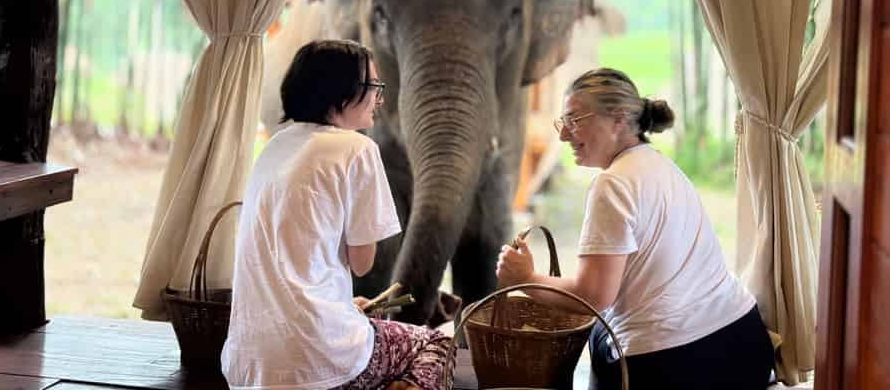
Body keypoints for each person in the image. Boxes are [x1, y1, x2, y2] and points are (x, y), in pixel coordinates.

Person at [496, 68, 774, 390]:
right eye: (563, 122)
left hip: (680, 363)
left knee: (600, 331)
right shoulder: (660, 164)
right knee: (608, 325)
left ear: (619, 118)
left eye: (574, 119)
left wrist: (525, 279)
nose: (563, 135)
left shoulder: (612, 183)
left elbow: (593, 296)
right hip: (746, 344)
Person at [222, 40, 455, 390]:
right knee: (435, 344)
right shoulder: (357, 149)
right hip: (318, 360)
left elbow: (294, 261)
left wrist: (342, 305)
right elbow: (362, 263)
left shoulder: (274, 147)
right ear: (341, 92)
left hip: (247, 365)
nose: (379, 98)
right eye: (373, 87)